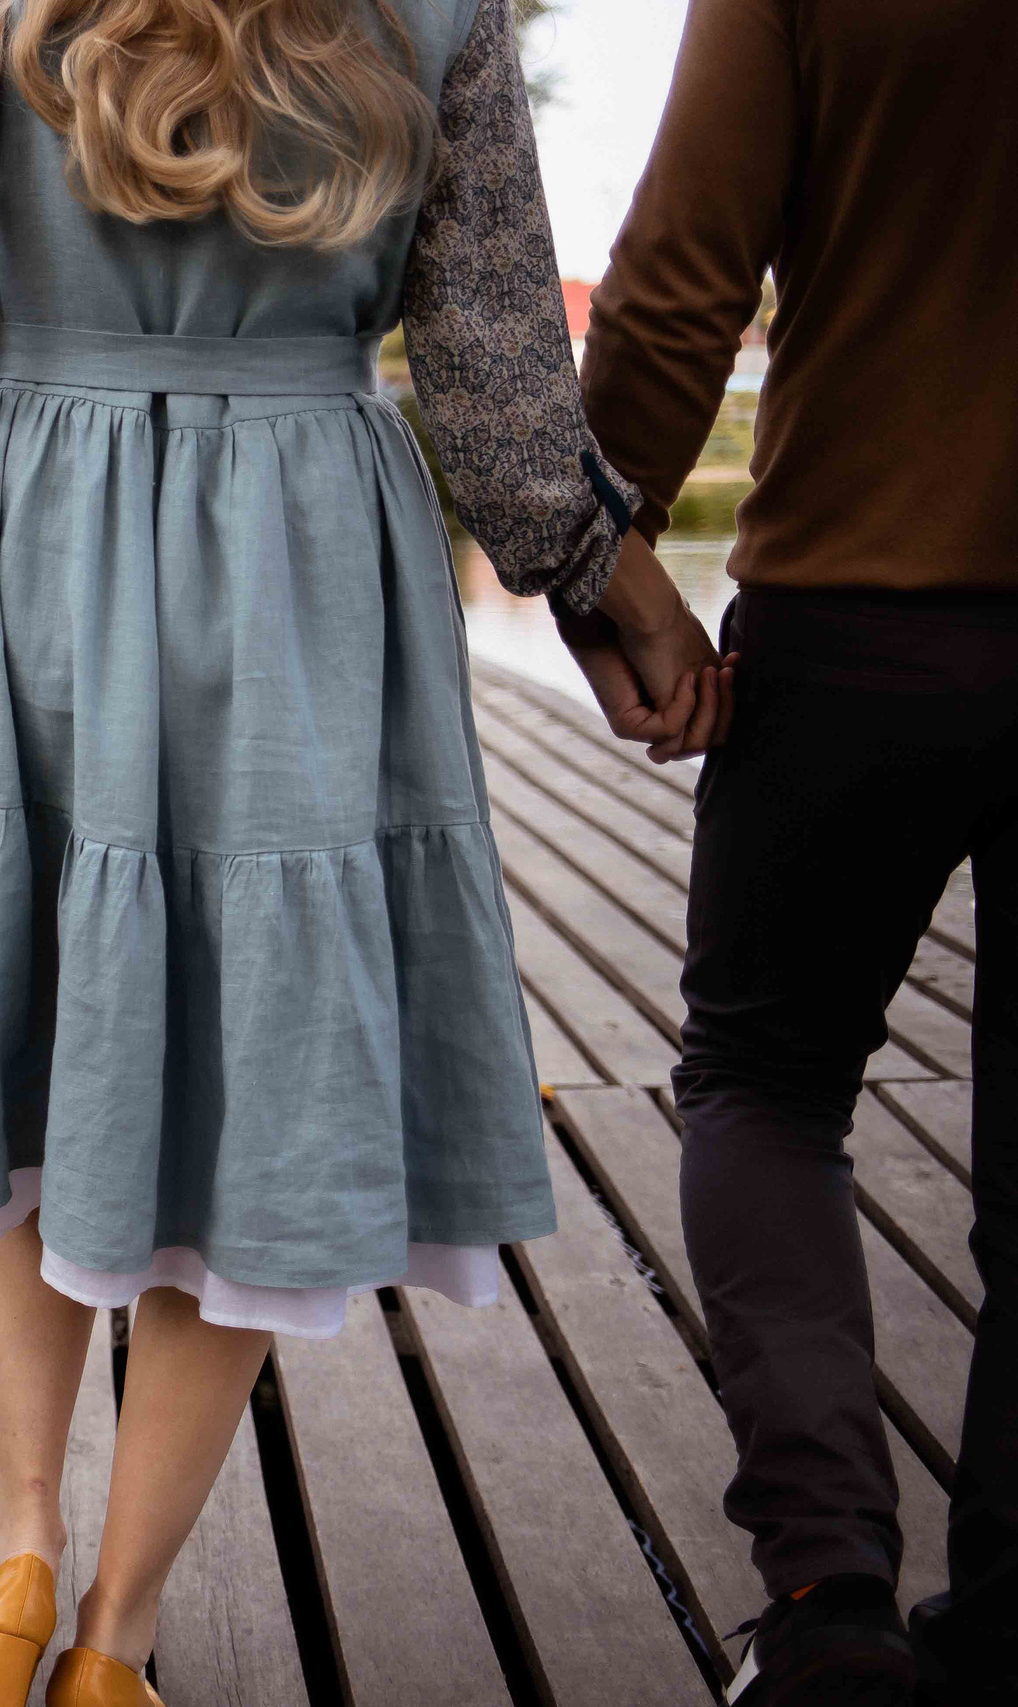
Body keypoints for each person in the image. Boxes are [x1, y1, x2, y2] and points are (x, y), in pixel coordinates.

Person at [0, 0, 725, 1700]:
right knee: (280, 1071)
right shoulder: (436, 16)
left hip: (34, 537)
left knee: (44, 1033)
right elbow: (493, 383)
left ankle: (17, 1555)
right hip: (304, 557)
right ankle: (120, 1632)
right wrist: (606, 584)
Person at [574, 0, 1018, 1699]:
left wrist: (602, 576)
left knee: (767, 1079)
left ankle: (832, 1599)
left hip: (858, 616)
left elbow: (684, 275)